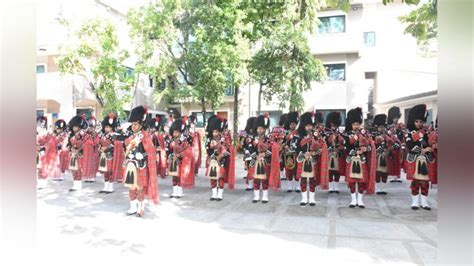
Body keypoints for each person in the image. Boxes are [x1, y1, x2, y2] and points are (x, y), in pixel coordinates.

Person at [123, 106, 159, 217]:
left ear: (140, 125)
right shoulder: (129, 136)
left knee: (139, 188)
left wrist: (141, 155)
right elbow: (126, 150)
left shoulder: (145, 136)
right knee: (131, 186)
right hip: (131, 165)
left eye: (135, 124)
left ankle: (140, 208)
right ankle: (132, 207)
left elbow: (151, 151)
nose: (133, 126)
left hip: (141, 166)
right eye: (132, 124)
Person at [343, 107, 376, 208]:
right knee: (352, 182)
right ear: (351, 124)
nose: (356, 126)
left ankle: (360, 200)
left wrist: (366, 149)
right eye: (354, 124)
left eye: (357, 124)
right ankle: (353, 200)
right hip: (352, 160)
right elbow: (345, 148)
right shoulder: (347, 135)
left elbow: (371, 146)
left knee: (361, 182)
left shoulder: (365, 134)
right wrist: (355, 151)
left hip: (362, 160)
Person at [404, 104, 436, 211]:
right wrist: (423, 150)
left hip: (425, 160)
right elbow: (409, 146)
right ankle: (415, 202)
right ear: (413, 121)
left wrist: (432, 147)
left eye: (421, 121)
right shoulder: (409, 133)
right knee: (416, 182)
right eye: (417, 121)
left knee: (425, 182)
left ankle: (424, 202)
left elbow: (430, 144)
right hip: (415, 159)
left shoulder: (426, 132)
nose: (419, 123)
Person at [247, 113, 280, 203]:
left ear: (265, 129)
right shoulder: (252, 138)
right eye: (258, 128)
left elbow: (272, 150)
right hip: (255, 161)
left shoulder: (269, 139)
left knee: (265, 179)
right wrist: (256, 156)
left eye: (261, 128)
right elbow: (250, 148)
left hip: (265, 162)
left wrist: (265, 154)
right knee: (256, 179)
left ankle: (265, 196)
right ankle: (256, 196)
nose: (259, 130)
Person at [205, 116, 235, 201]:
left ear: (219, 131)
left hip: (222, 161)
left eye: (216, 131)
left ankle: (220, 194)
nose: (215, 133)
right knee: (213, 178)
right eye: (214, 131)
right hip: (213, 161)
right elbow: (207, 150)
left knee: (221, 178)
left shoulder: (224, 140)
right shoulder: (209, 140)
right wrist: (214, 157)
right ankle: (214, 194)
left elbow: (228, 150)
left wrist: (222, 155)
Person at [167, 116, 195, 199]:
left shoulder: (184, 141)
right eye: (173, 132)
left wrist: (179, 155)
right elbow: (168, 150)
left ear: (180, 131)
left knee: (179, 177)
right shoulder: (171, 140)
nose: (174, 134)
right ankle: (174, 191)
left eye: (176, 132)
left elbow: (188, 151)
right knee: (174, 176)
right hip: (173, 161)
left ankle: (179, 191)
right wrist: (169, 156)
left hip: (180, 162)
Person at [97, 112, 124, 194]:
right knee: (105, 171)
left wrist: (106, 147)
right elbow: (100, 143)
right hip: (103, 156)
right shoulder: (103, 135)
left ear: (112, 128)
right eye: (105, 127)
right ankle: (105, 186)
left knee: (110, 171)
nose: (106, 128)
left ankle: (110, 187)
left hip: (111, 156)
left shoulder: (115, 135)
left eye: (108, 127)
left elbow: (115, 144)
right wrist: (99, 148)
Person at [324, 111, 345, 193]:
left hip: (337, 155)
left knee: (337, 171)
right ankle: (330, 187)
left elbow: (343, 144)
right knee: (329, 171)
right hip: (329, 155)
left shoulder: (340, 134)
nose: (333, 127)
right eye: (332, 125)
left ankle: (336, 187)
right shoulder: (326, 134)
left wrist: (339, 147)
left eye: (335, 125)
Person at [67, 115, 88, 192]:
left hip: (79, 155)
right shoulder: (71, 135)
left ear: (80, 126)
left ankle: (78, 185)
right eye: (73, 127)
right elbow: (68, 144)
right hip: (72, 155)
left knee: (78, 170)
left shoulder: (83, 135)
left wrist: (79, 150)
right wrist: (70, 149)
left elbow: (85, 144)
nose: (74, 128)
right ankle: (74, 184)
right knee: (73, 170)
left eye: (76, 127)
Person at [386, 106, 405, 183]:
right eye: (394, 118)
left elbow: (402, 135)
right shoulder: (388, 127)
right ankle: (392, 175)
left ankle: (397, 175)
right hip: (391, 146)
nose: (396, 119)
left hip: (399, 146)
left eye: (397, 117)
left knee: (398, 160)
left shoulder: (400, 126)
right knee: (391, 161)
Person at [282, 111, 299, 192]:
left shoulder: (299, 133)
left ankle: (297, 186)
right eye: (291, 124)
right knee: (288, 171)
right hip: (288, 154)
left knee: (297, 171)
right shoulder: (285, 133)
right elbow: (281, 142)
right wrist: (285, 145)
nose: (292, 125)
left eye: (294, 124)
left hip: (297, 154)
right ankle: (289, 187)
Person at [242, 117, 257, 191]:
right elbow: (243, 145)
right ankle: (250, 185)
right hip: (248, 155)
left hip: (255, 155)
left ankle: (254, 185)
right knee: (249, 170)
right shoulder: (246, 136)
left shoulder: (257, 136)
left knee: (254, 170)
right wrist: (245, 150)